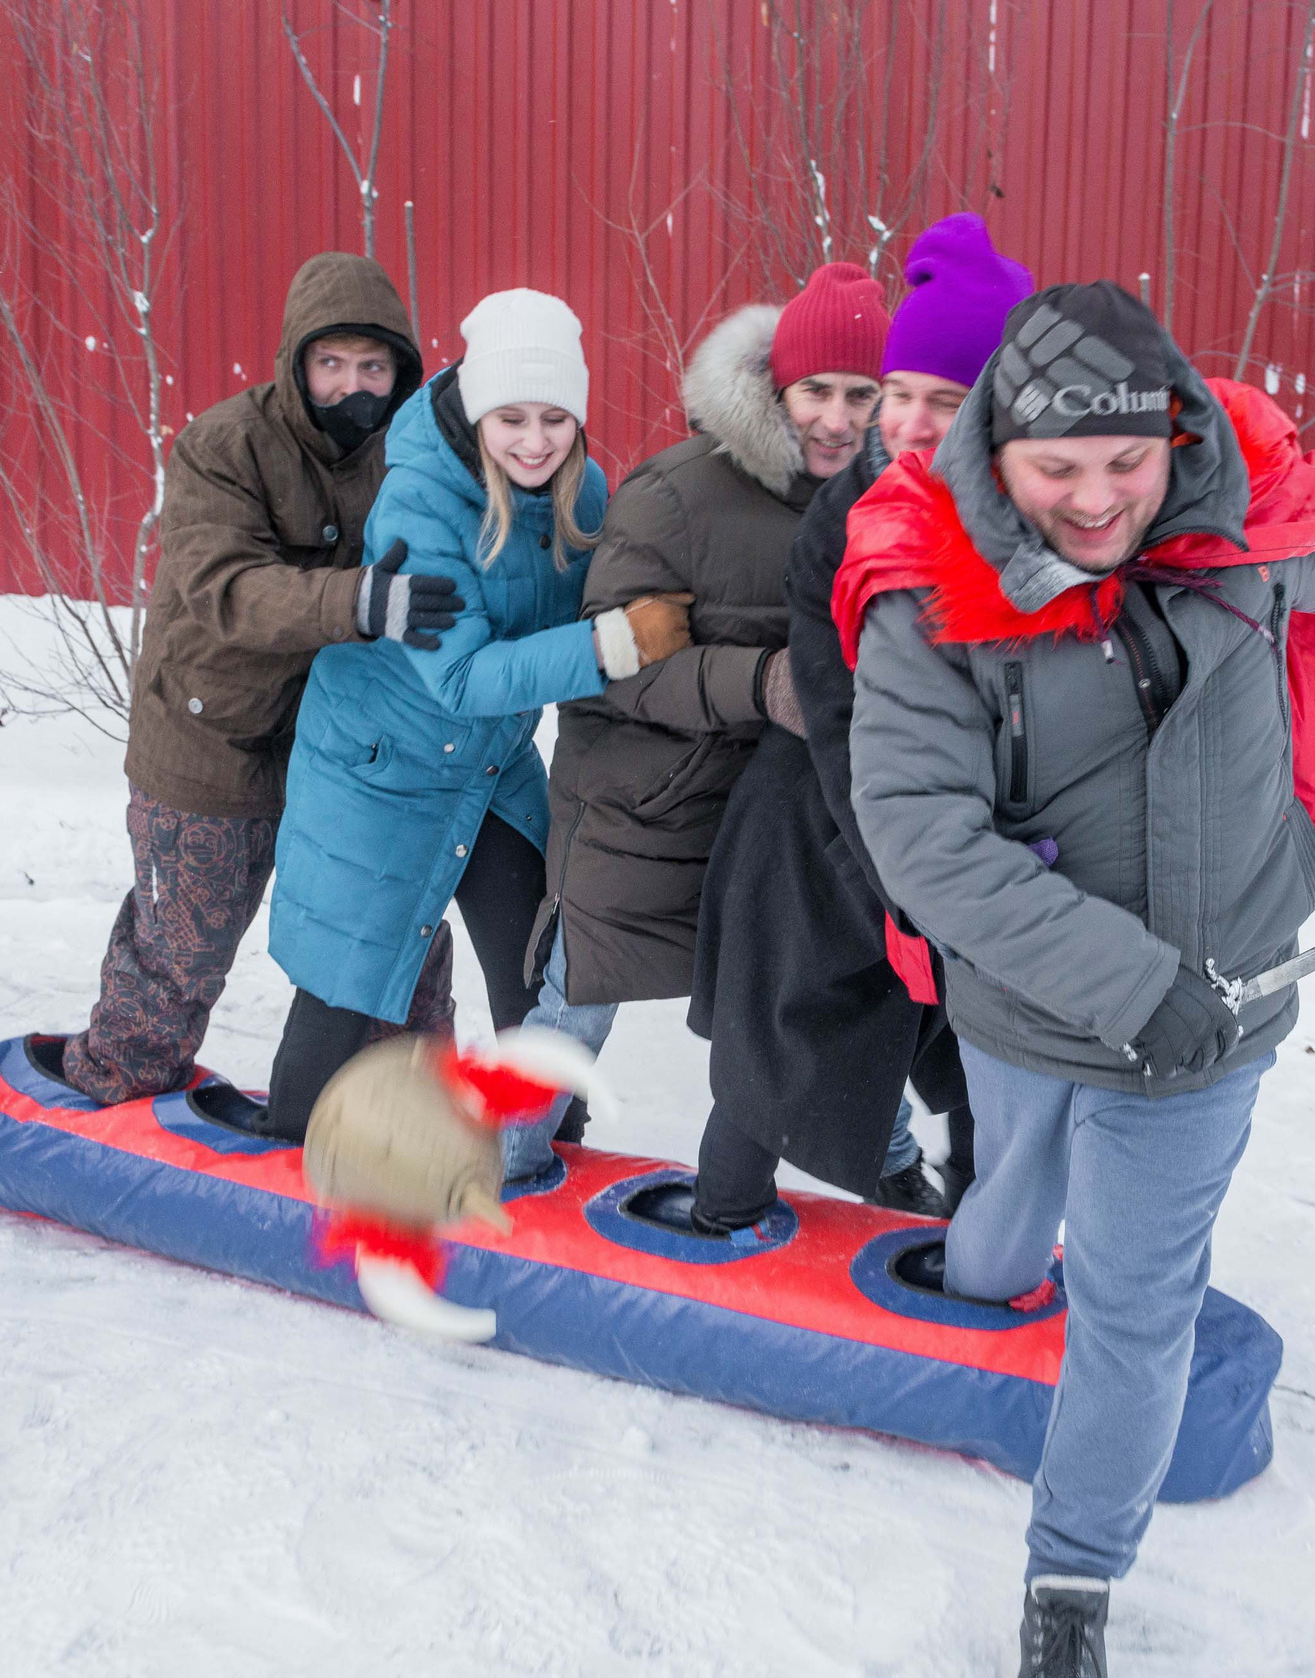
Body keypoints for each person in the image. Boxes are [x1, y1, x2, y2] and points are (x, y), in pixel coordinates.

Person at [839, 282, 1315, 1675]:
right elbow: (925, 839)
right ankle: (979, 1296)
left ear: (1173, 439)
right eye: (1055, 468)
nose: (1094, 500)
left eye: (1125, 463)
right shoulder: (931, 592)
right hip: (1030, 1004)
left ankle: (1071, 1576)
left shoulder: (1244, 537)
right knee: (1009, 1198)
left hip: (1216, 1015)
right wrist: (1128, 985)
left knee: (1136, 1303)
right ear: (995, 449)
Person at [256, 291, 693, 1136]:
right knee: (348, 986)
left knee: (536, 975)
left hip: (490, 765)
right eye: (512, 419)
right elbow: (458, 678)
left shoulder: (583, 493)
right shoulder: (421, 501)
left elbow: (600, 606)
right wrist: (611, 645)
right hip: (382, 764)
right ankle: (284, 1154)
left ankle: (544, 1153)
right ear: (478, 410)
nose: (535, 441)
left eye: (556, 419)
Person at [48, 252, 464, 1120]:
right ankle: (106, 1101)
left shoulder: (412, 451)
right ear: (296, 361)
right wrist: (358, 599)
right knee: (181, 956)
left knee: (394, 940)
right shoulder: (222, 446)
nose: (352, 387)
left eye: (374, 367)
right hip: (214, 744)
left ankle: (411, 1116)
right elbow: (226, 586)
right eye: (331, 363)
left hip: (346, 750)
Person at [684, 214, 1034, 1232]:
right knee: (774, 1055)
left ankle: (980, 1252)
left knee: (982, 1059)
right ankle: (718, 1227)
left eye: (945, 401)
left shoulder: (1030, 517)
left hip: (962, 840)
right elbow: (838, 725)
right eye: (900, 394)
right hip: (818, 829)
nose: (911, 422)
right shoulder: (843, 520)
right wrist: (912, 879)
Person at [510, 263, 893, 1179]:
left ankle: (898, 1162)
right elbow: (613, 667)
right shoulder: (677, 494)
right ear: (775, 388)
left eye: (861, 394)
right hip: (648, 804)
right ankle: (491, 1166)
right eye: (815, 391)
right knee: (576, 1004)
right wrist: (760, 682)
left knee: (832, 999)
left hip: (779, 818)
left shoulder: (888, 502)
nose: (837, 418)